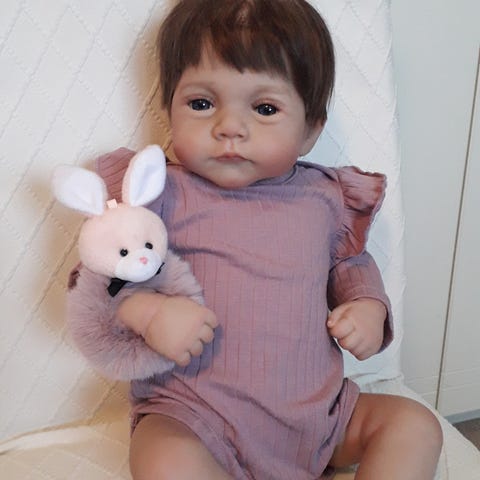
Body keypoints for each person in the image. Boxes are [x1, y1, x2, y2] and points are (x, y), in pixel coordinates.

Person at [68, 0, 443, 478]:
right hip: (195, 415)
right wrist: (149, 312)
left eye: (265, 108)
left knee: (414, 425)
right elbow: (98, 282)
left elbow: (350, 265)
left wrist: (367, 306)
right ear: (169, 110)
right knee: (163, 458)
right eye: (201, 104)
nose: (229, 127)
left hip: (322, 418)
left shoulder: (324, 198)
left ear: (310, 130)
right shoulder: (157, 194)